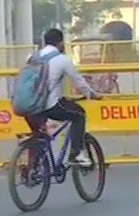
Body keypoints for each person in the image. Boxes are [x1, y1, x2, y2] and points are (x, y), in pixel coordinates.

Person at [24, 28, 100, 167]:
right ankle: (76, 153)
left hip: (28, 105)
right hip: (50, 105)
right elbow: (79, 82)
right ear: (60, 43)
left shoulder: (31, 57)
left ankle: (32, 167)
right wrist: (92, 94)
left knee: (39, 135)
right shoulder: (62, 60)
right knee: (78, 115)